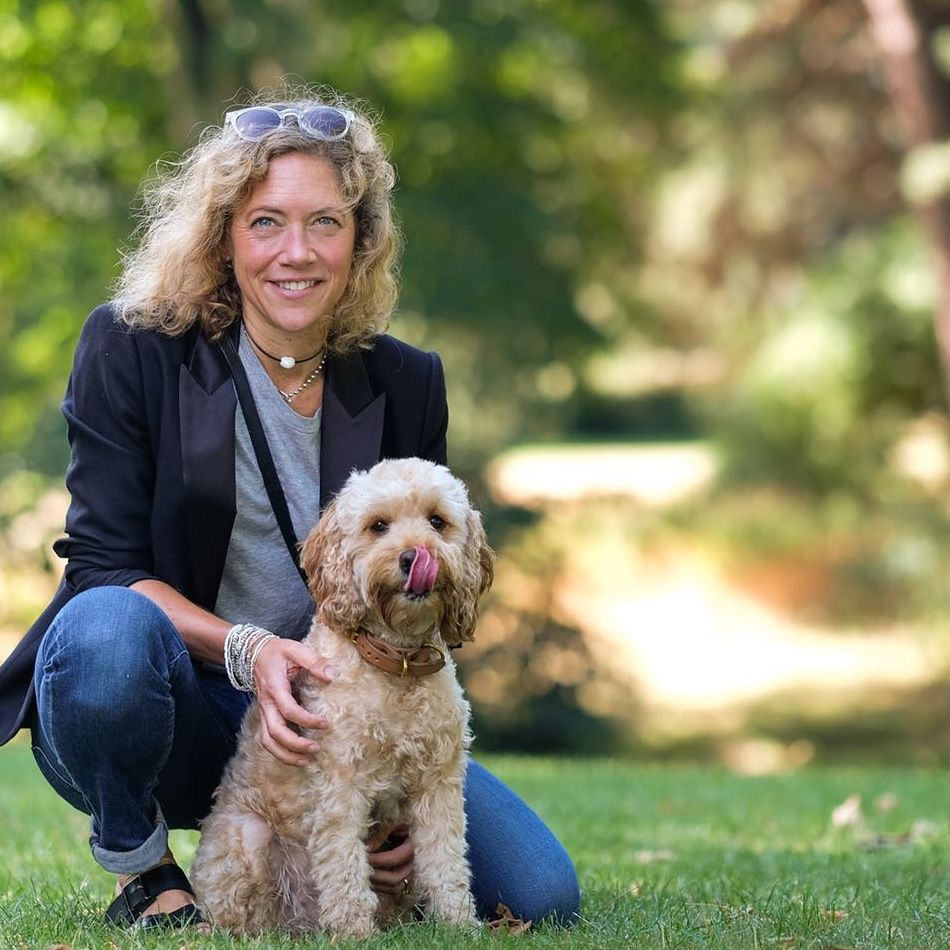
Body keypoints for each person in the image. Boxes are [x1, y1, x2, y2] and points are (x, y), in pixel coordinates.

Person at [0, 86, 580, 931]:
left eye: (326, 223)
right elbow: (104, 569)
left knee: (539, 896)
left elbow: (422, 578)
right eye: (266, 221)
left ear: (363, 241)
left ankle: (357, 857)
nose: (295, 253)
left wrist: (385, 803)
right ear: (223, 237)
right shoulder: (131, 349)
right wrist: (249, 648)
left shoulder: (406, 379)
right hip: (169, 703)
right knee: (104, 633)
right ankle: (146, 868)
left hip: (343, 713)